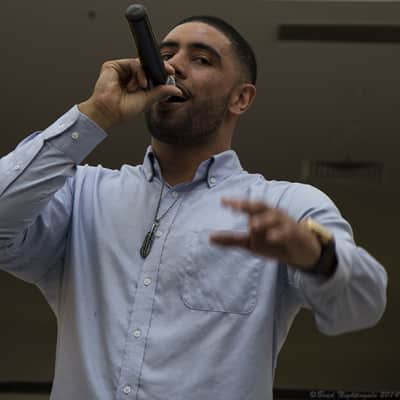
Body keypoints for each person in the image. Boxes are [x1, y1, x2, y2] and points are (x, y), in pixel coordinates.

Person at [0, 15, 387, 400]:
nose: (173, 67)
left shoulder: (285, 206)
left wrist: (318, 256)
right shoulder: (82, 194)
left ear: (241, 98)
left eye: (201, 59)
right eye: (165, 55)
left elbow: (360, 306)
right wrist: (96, 113)